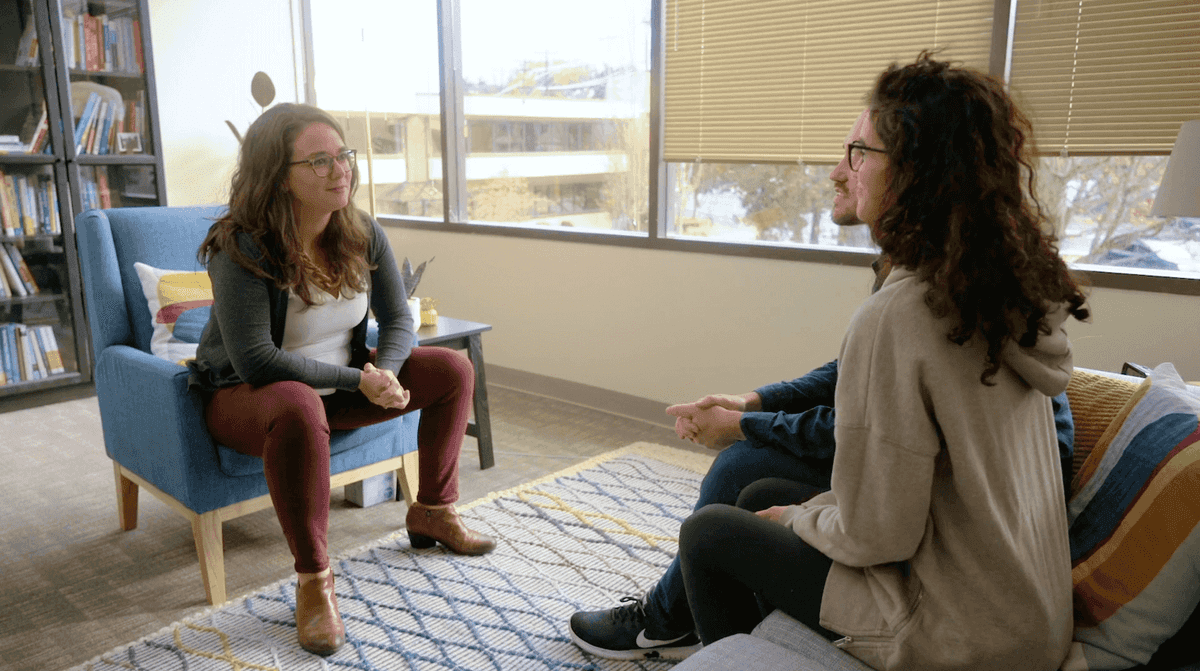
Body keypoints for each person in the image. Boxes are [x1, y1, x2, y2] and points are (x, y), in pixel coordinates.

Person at [568, 107, 1078, 662]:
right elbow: (853, 381)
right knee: (759, 493)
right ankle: (731, 633)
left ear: (919, 174)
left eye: (858, 153)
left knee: (713, 529)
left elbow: (881, 530)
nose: (837, 171)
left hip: (967, 629)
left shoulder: (910, 309)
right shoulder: (980, 283)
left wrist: (770, 470)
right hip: (1021, 609)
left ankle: (674, 625)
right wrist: (754, 404)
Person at [188, 103, 496, 657]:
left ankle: (433, 509)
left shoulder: (360, 231)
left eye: (344, 156)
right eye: (320, 161)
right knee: (300, 405)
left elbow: (399, 318)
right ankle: (314, 581)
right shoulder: (241, 247)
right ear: (277, 175)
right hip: (249, 399)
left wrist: (389, 374)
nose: (342, 171)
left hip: (339, 390)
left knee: (453, 368)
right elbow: (257, 359)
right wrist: (360, 380)